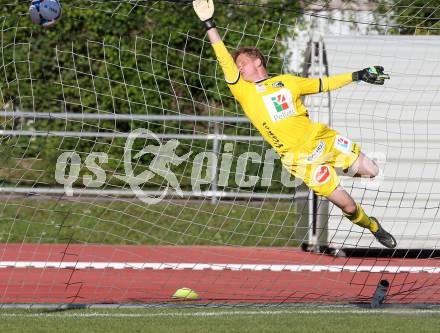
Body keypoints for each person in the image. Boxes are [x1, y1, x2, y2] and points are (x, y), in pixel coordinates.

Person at [192, 0, 397, 248]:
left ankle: (338, 168)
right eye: (237, 67)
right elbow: (223, 57)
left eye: (242, 63)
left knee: (372, 170)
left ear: (258, 61)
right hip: (301, 160)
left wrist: (357, 75)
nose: (239, 68)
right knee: (349, 206)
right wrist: (209, 24)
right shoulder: (243, 91)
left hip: (322, 140)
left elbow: (323, 84)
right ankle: (372, 226)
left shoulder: (288, 82)